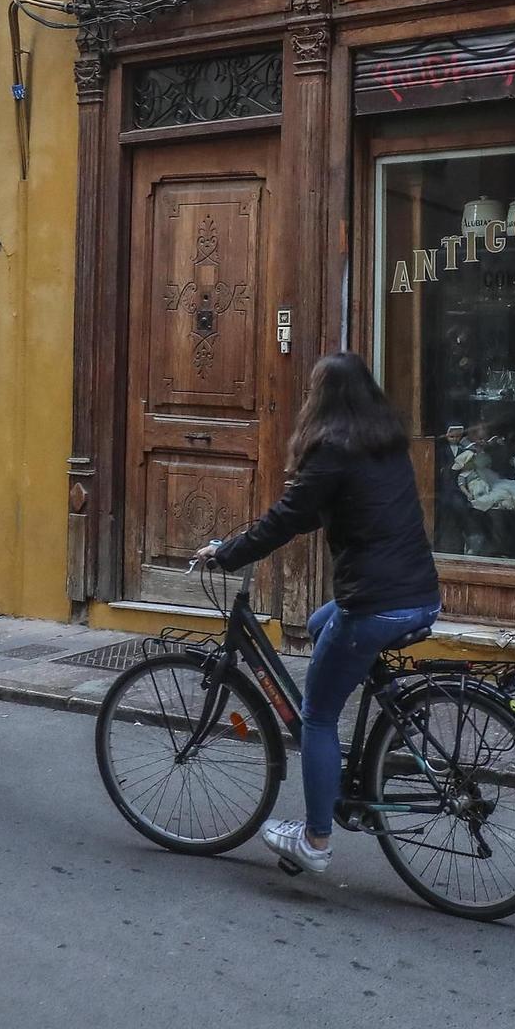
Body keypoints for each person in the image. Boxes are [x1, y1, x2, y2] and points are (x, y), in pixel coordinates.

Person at [195, 352, 440, 876]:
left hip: (376, 604)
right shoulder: (384, 440)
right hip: (419, 593)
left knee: (318, 715)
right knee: (317, 625)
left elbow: (289, 517)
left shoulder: (331, 448)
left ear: (320, 398)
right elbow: (310, 513)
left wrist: (228, 551)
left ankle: (316, 840)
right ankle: (372, 748)